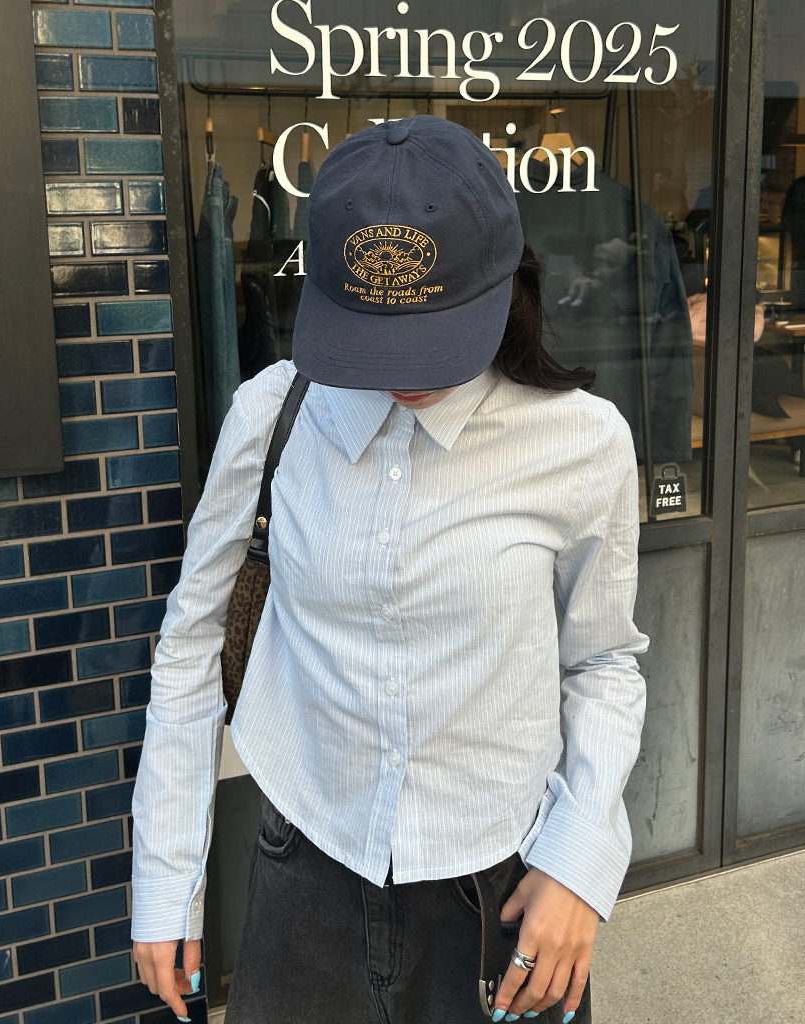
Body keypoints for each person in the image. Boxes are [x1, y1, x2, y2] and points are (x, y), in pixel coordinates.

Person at [131, 115, 648, 1024]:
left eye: (433, 337)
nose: (403, 374)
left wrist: (580, 861)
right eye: (374, 336)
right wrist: (167, 881)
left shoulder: (582, 441)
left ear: (505, 283)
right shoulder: (274, 415)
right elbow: (190, 640)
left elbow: (602, 662)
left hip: (502, 891)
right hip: (305, 874)